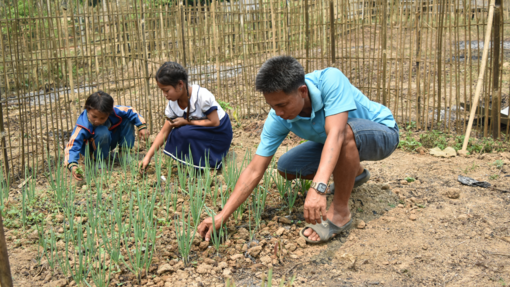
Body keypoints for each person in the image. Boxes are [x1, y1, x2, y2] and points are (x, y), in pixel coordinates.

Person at [198, 56, 399, 243]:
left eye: (283, 104)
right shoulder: (278, 116)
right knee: (287, 167)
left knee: (344, 133)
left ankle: (340, 212)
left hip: (381, 134)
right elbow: (254, 169)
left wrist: (318, 188)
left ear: (302, 91)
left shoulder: (330, 80)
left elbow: (337, 133)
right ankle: (355, 173)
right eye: (273, 106)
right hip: (340, 143)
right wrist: (222, 215)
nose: (278, 112)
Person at [139, 62, 233, 171]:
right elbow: (164, 132)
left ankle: (210, 162)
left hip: (219, 133)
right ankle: (196, 163)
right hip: (202, 131)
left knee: (184, 131)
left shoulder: (201, 96)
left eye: (166, 90)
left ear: (180, 84)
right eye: (162, 91)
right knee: (176, 133)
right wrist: (147, 157)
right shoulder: (172, 104)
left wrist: (186, 122)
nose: (165, 94)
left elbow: (215, 122)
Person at [65, 90, 149, 180]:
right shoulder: (82, 126)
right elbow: (71, 146)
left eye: (102, 118)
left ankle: (123, 154)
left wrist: (141, 126)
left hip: (109, 140)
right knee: (102, 130)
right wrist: (72, 164)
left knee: (127, 119)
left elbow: (130, 111)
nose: (97, 121)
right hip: (92, 149)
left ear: (109, 113)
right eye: (94, 117)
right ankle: (98, 162)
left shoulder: (115, 111)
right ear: (87, 109)